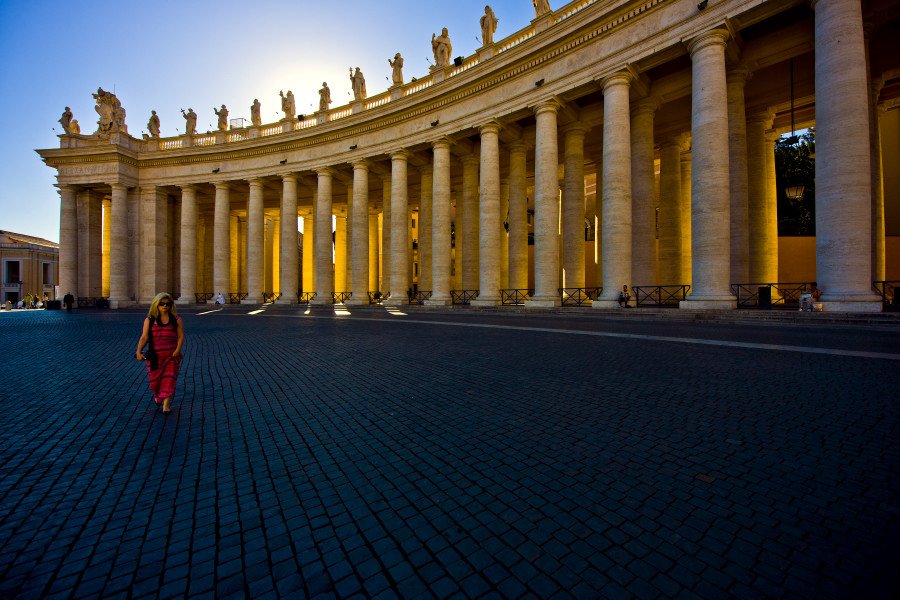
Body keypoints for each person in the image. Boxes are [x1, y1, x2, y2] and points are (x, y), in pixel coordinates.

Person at [135, 293, 184, 414]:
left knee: (169, 379)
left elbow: (181, 336)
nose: (165, 306)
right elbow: (144, 337)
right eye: (162, 304)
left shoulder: (176, 319)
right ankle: (158, 395)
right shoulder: (149, 320)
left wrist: (177, 350)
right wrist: (138, 351)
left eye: (168, 304)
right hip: (155, 357)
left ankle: (166, 405)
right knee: (154, 381)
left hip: (171, 356)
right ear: (156, 304)